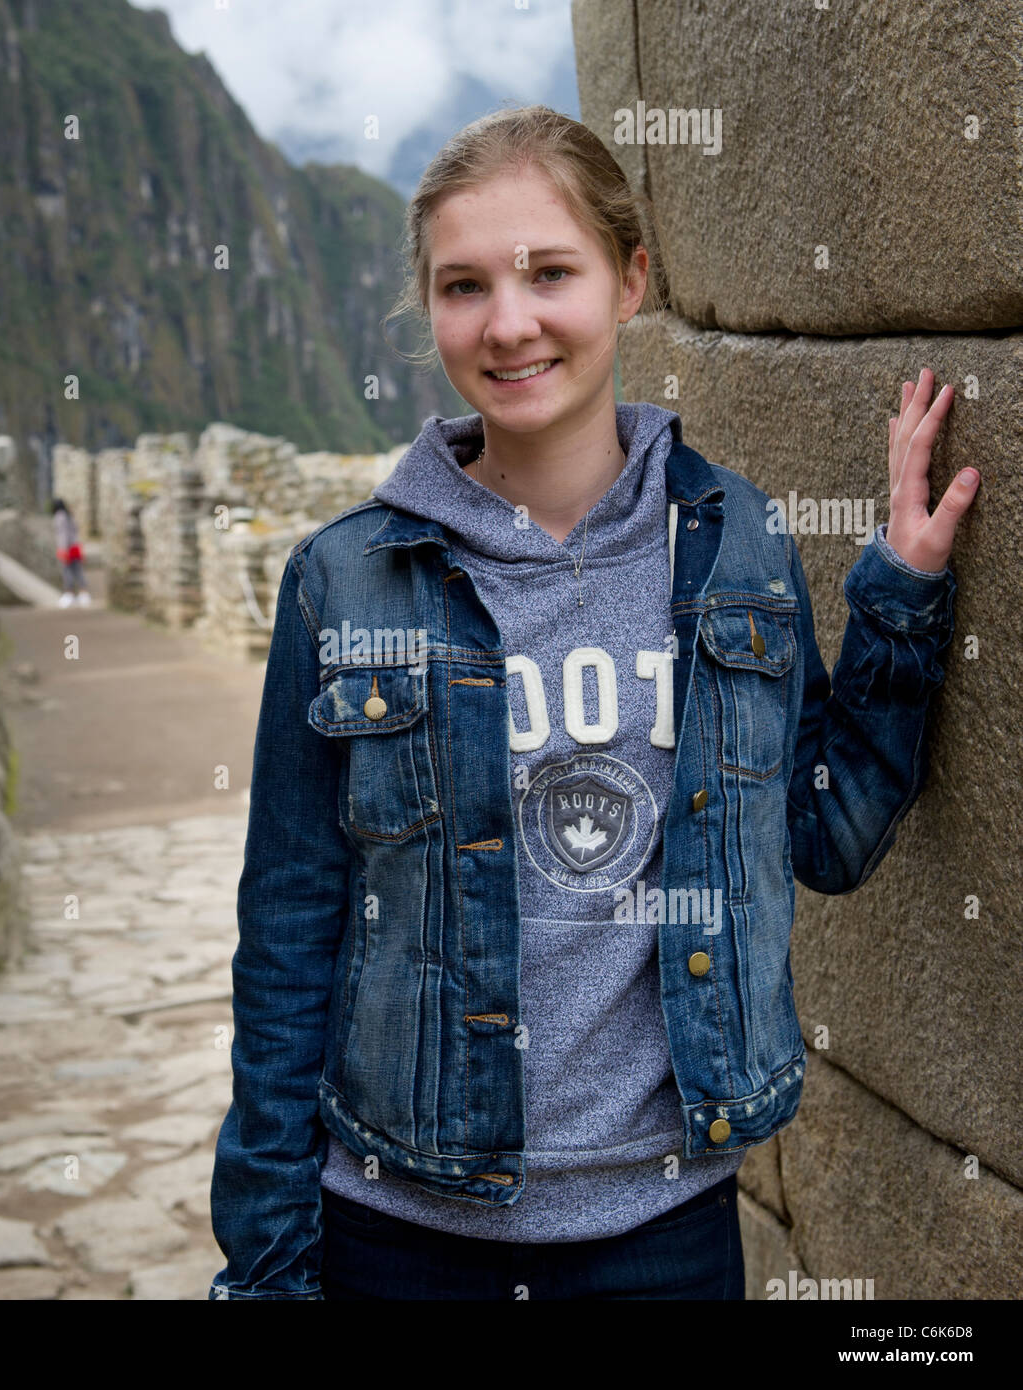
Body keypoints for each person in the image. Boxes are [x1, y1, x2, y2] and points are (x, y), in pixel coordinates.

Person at [207, 105, 979, 1301]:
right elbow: (292, 931)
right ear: (427, 310)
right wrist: (265, 1266)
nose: (507, 324)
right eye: (462, 287)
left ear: (629, 283)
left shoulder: (735, 547)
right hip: (402, 1227)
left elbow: (821, 833)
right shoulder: (346, 580)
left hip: (661, 1230)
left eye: (548, 273)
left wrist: (902, 594)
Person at [51, 497, 91, 607]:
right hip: (75, 547)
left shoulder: (59, 517)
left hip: (67, 548)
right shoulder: (69, 516)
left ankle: (69, 594)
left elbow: (62, 534)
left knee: (67, 571)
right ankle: (84, 594)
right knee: (78, 571)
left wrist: (62, 549)